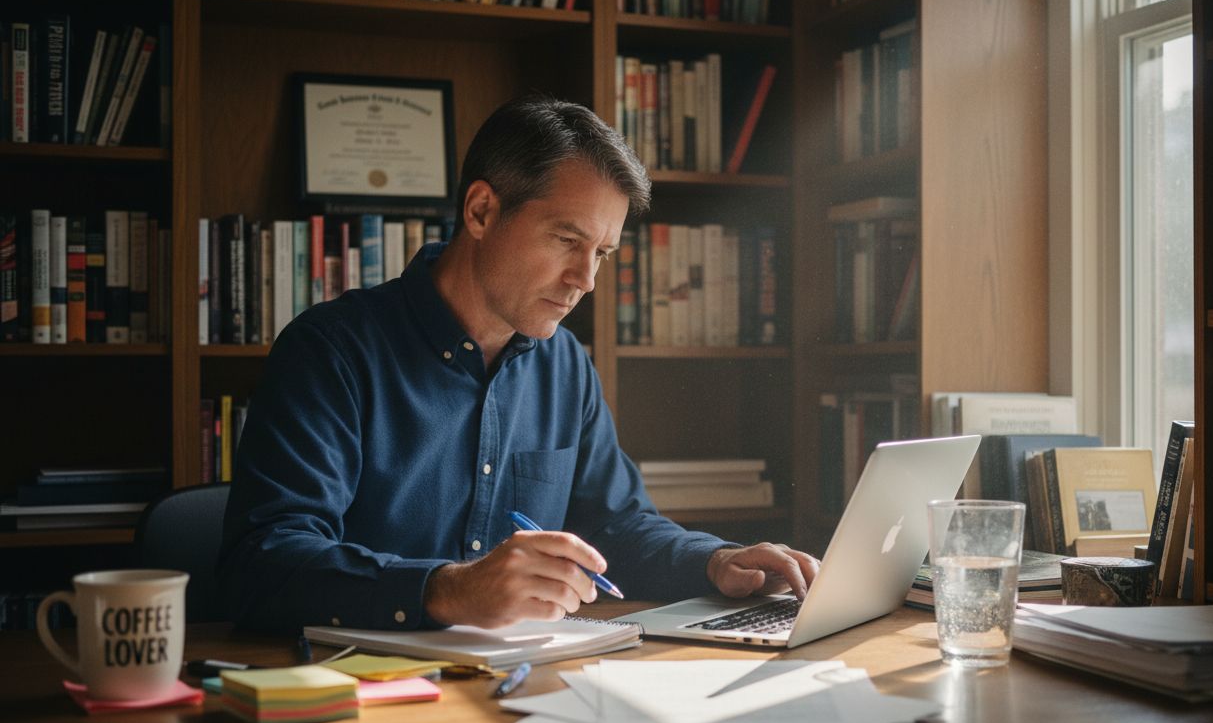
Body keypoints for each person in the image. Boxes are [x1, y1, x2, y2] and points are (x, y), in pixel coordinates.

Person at [218, 96, 819, 632]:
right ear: (481, 211)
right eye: (566, 240)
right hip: (361, 696)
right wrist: (448, 590)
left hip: (525, 682)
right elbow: (265, 561)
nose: (585, 280)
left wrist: (713, 562)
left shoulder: (565, 365)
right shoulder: (331, 353)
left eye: (601, 253)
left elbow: (615, 527)